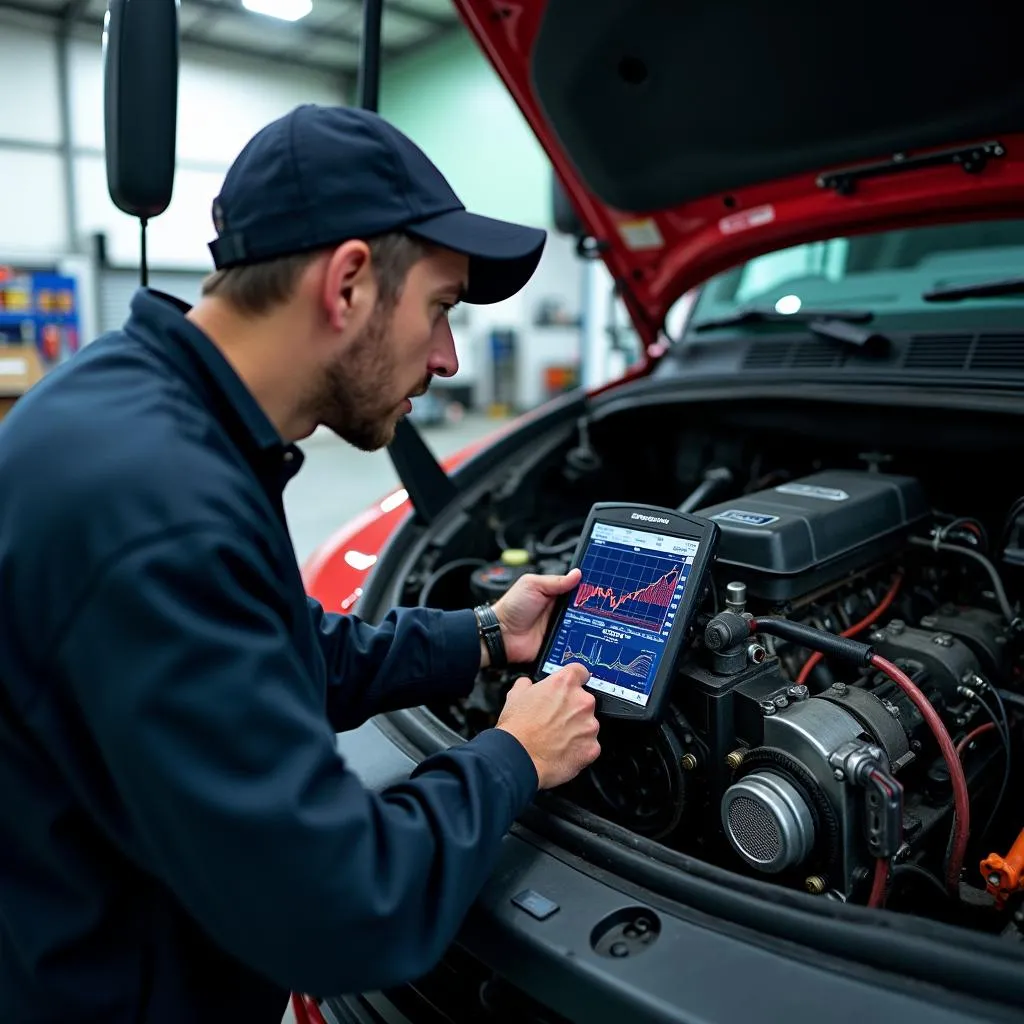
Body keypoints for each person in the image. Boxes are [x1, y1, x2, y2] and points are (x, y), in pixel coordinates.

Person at [0, 104, 601, 1024]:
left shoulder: (142, 407)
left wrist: (483, 635)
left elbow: (276, 651)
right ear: (349, 283)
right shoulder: (159, 507)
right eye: (439, 307)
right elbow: (346, 909)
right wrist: (515, 756)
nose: (446, 357)